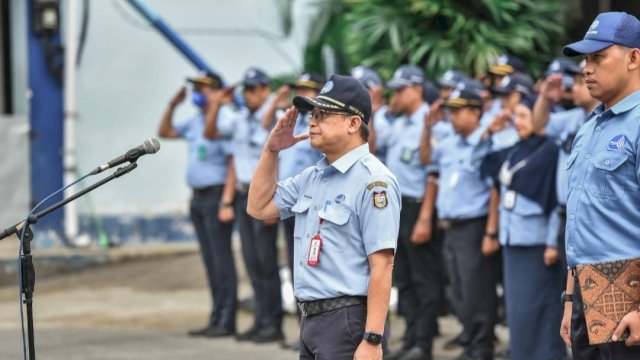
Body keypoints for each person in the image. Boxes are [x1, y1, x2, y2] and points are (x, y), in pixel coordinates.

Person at [247, 74, 401, 360]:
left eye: (323, 114)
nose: (312, 121)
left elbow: (382, 266)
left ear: (354, 123)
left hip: (346, 320)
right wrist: (271, 151)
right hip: (310, 319)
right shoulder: (313, 176)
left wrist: (373, 339)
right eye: (312, 114)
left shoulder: (374, 182)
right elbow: (258, 207)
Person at [559, 11, 640, 359]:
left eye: (598, 57)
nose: (587, 68)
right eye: (585, 60)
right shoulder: (589, 127)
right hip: (584, 295)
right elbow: (579, 222)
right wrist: (569, 299)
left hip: (628, 299)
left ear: (634, 57)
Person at [204, 67, 284, 343]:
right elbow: (211, 131)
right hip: (241, 195)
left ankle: (273, 324)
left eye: (254, 89)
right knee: (251, 261)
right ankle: (260, 320)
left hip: (263, 195)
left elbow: (279, 160)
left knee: (266, 261)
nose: (249, 95)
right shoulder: (238, 119)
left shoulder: (277, 118)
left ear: (265, 89)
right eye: (246, 90)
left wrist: (276, 200)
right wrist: (215, 105)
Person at [484, 97, 567, 360]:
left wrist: (553, 242)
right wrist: (492, 131)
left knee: (540, 309)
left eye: (523, 116)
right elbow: (485, 164)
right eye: (515, 116)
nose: (516, 122)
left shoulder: (551, 151)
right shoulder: (516, 148)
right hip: (513, 241)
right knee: (518, 312)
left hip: (537, 244)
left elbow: (557, 201)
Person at [157, 71, 237, 337]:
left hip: (216, 197)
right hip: (198, 198)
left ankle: (227, 320)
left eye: (202, 88)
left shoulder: (226, 119)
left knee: (222, 260)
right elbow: (165, 132)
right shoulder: (195, 121)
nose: (198, 93)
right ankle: (215, 317)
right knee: (210, 261)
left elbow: (231, 163)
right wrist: (172, 104)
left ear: (216, 91)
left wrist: (227, 200)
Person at [424, 89, 498, 360]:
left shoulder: (487, 141)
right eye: (450, 111)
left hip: (474, 225)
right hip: (451, 226)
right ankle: (470, 341)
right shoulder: (448, 143)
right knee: (458, 288)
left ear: (476, 112)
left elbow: (494, 190)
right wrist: (427, 128)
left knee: (476, 288)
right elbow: (426, 160)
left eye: (458, 111)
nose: (452, 117)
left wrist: (491, 231)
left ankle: (481, 347)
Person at [383, 64, 447, 360]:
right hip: (396, 208)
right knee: (404, 278)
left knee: (424, 279)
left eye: (400, 90)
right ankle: (409, 339)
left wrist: (424, 218)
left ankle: (423, 343)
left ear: (417, 90)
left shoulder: (433, 123)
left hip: (419, 207)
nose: (395, 95)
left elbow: (433, 174)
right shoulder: (397, 124)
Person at [261, 71, 326, 351]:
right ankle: (304, 333)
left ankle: (316, 333)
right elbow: (268, 137)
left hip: (313, 207)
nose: (304, 95)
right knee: (296, 269)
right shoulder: (290, 121)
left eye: (309, 90)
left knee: (316, 270)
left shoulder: (320, 125)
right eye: (300, 89)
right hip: (290, 207)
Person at [532, 59, 600, 279]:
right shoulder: (573, 118)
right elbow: (539, 125)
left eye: (581, 82)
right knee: (570, 291)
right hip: (565, 216)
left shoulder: (608, 120)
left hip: (591, 217)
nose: (575, 89)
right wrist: (545, 98)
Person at [351, 65, 392, 160]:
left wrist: (369, 111)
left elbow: (369, 149)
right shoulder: (352, 112)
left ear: (374, 89)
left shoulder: (388, 116)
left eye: (361, 89)